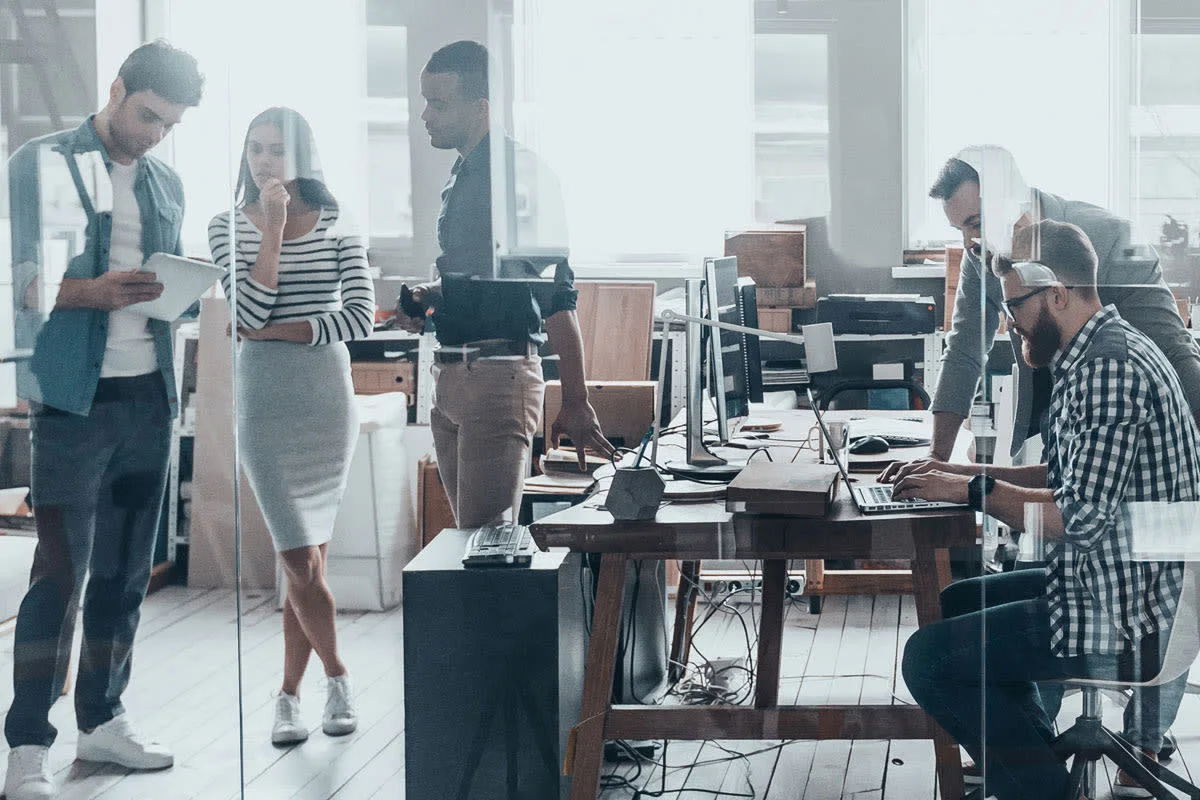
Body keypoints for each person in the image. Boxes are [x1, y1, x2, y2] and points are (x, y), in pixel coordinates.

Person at [892, 219, 1200, 800]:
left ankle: (1037, 789)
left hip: (1135, 614)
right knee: (956, 603)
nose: (1009, 322)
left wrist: (970, 494)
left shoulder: (1110, 370)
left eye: (1016, 306)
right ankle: (1032, 772)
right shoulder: (1101, 352)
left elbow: (1075, 520)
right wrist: (958, 473)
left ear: (1056, 294)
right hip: (1133, 583)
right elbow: (1065, 480)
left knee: (929, 658)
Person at [3, 41, 203, 800]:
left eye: (169, 124)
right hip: (71, 405)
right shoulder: (40, 163)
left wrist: (174, 292)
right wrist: (97, 292)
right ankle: (27, 745)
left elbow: (165, 286)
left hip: (148, 398)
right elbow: (18, 281)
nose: (154, 133)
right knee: (59, 577)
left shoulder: (165, 182)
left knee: (124, 576)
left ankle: (103, 719)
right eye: (148, 114)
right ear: (116, 89)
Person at [208, 107, 375, 746]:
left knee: (305, 564)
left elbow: (359, 317)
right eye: (254, 149)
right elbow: (245, 304)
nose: (263, 161)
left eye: (276, 150)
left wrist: (275, 332)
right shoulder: (226, 226)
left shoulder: (339, 223)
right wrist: (272, 228)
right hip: (265, 400)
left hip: (325, 399)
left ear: (303, 156)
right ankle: (339, 675)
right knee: (300, 558)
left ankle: (285, 697)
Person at [394, 40, 612, 528]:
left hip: (495, 377)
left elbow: (557, 296)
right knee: (469, 544)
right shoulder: (463, 175)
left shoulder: (522, 177)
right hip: (450, 377)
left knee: (486, 548)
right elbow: (481, 282)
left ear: (482, 108)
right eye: (423, 100)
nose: (425, 115)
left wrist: (576, 400)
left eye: (439, 103)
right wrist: (428, 297)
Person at [923, 145, 1200, 461]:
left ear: (1012, 204)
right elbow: (964, 351)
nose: (968, 244)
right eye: (959, 230)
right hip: (1044, 419)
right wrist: (936, 460)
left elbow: (1174, 351)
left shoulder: (1111, 237)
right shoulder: (980, 257)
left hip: (1127, 424)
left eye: (976, 224)